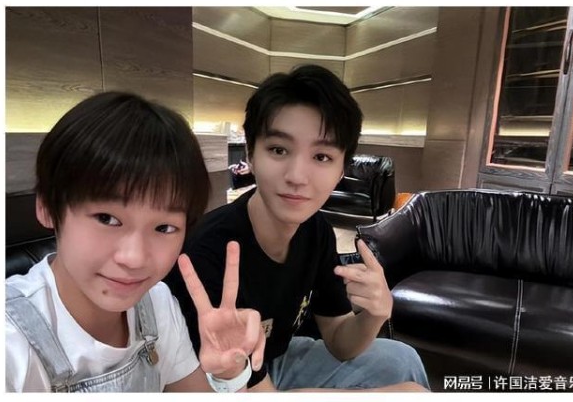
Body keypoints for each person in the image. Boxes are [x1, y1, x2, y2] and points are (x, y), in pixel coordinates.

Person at [164, 65, 430, 391]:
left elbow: (340, 340)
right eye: (279, 150)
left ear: (341, 170)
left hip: (276, 359)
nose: (297, 176)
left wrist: (376, 313)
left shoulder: (317, 231)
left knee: (402, 359)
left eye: (321, 156)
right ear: (250, 155)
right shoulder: (208, 252)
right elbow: (234, 383)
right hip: (219, 381)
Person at [5, 92, 265, 392]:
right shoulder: (10, 342)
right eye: (107, 219)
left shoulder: (156, 302)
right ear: (48, 207)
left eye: (164, 227)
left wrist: (230, 373)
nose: (135, 258)